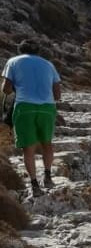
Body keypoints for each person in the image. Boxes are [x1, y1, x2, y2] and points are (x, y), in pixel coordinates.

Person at [2, 41, 61, 198]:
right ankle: (48, 176)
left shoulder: (13, 62)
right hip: (47, 108)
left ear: (19, 50)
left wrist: (17, 86)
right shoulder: (48, 65)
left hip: (25, 107)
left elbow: (5, 89)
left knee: (29, 147)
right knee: (47, 143)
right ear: (38, 50)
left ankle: (35, 185)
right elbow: (57, 93)